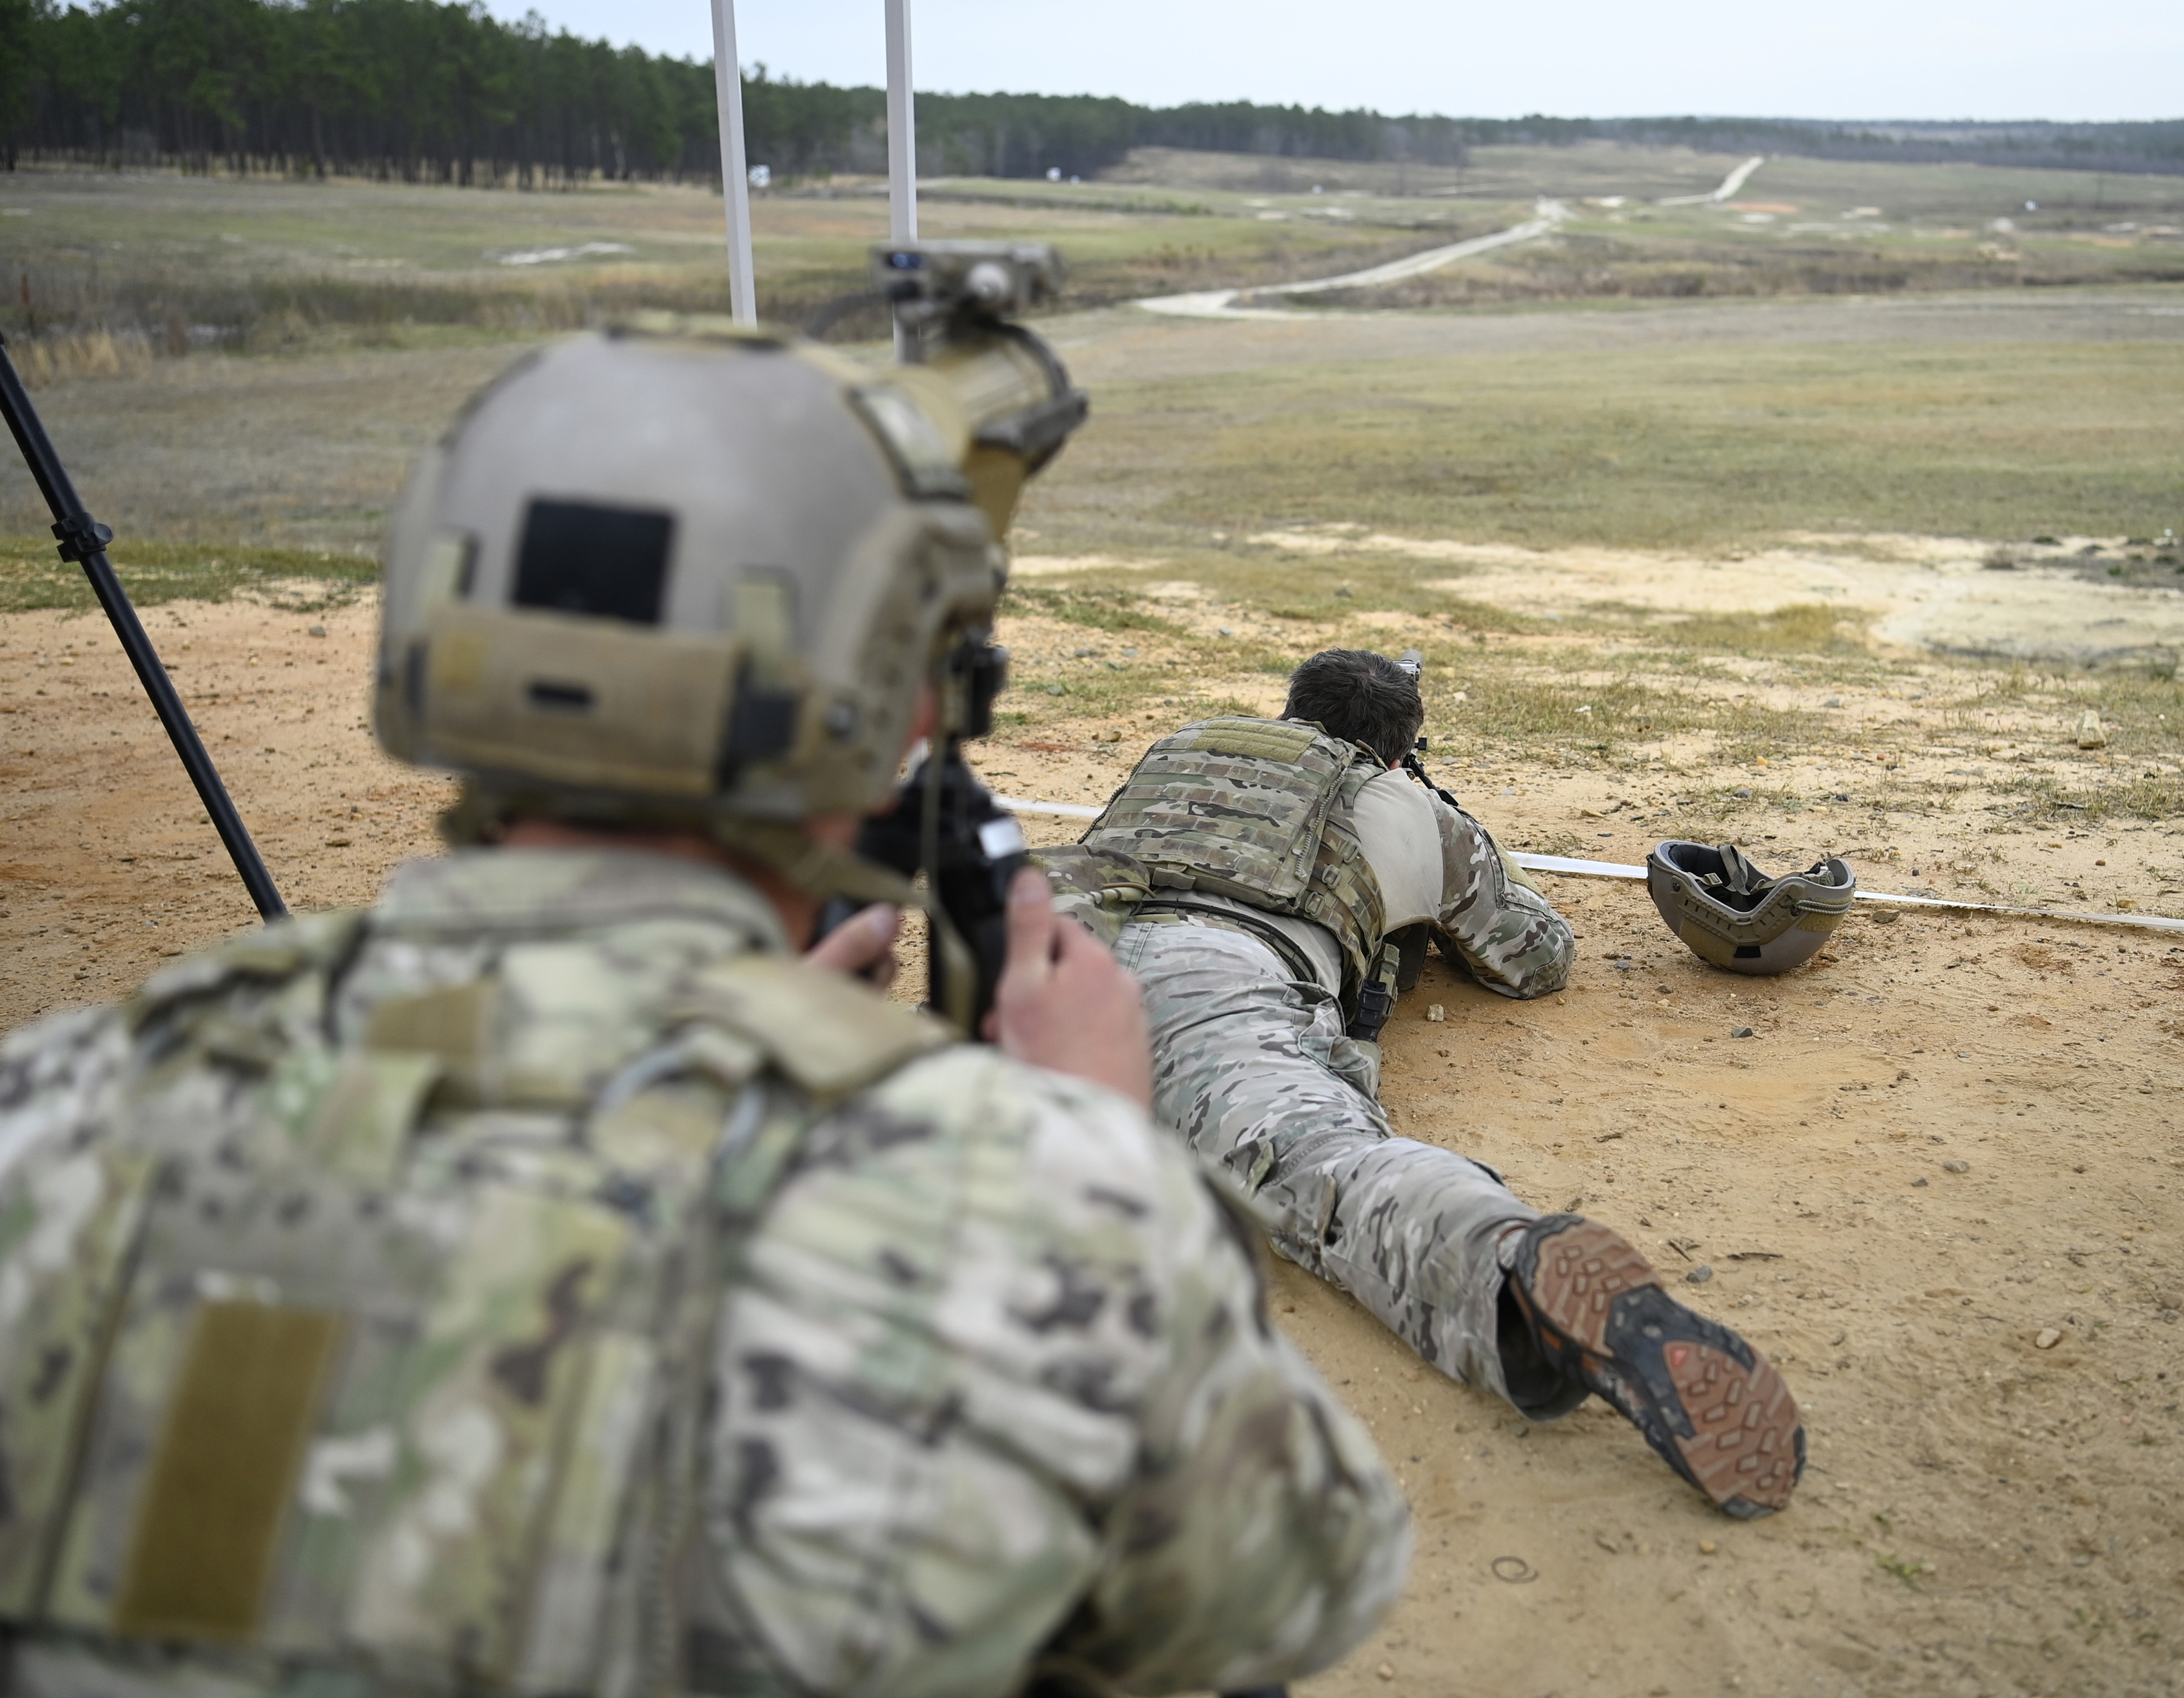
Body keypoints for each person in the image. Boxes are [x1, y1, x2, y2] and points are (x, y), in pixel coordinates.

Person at [0, 325, 1409, 1698]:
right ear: (869, 703)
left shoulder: (47, 1118)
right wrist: (1107, 1160)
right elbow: (1293, 1581)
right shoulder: (1010, 1210)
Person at [1069, 649, 1804, 1520]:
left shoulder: (1187, 744)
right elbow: (1535, 961)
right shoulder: (1404, 806)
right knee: (1310, 1160)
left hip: (1035, 954)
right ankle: (1508, 1266)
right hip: (1205, 977)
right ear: (1399, 749)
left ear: (1289, 710)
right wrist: (1474, 855)